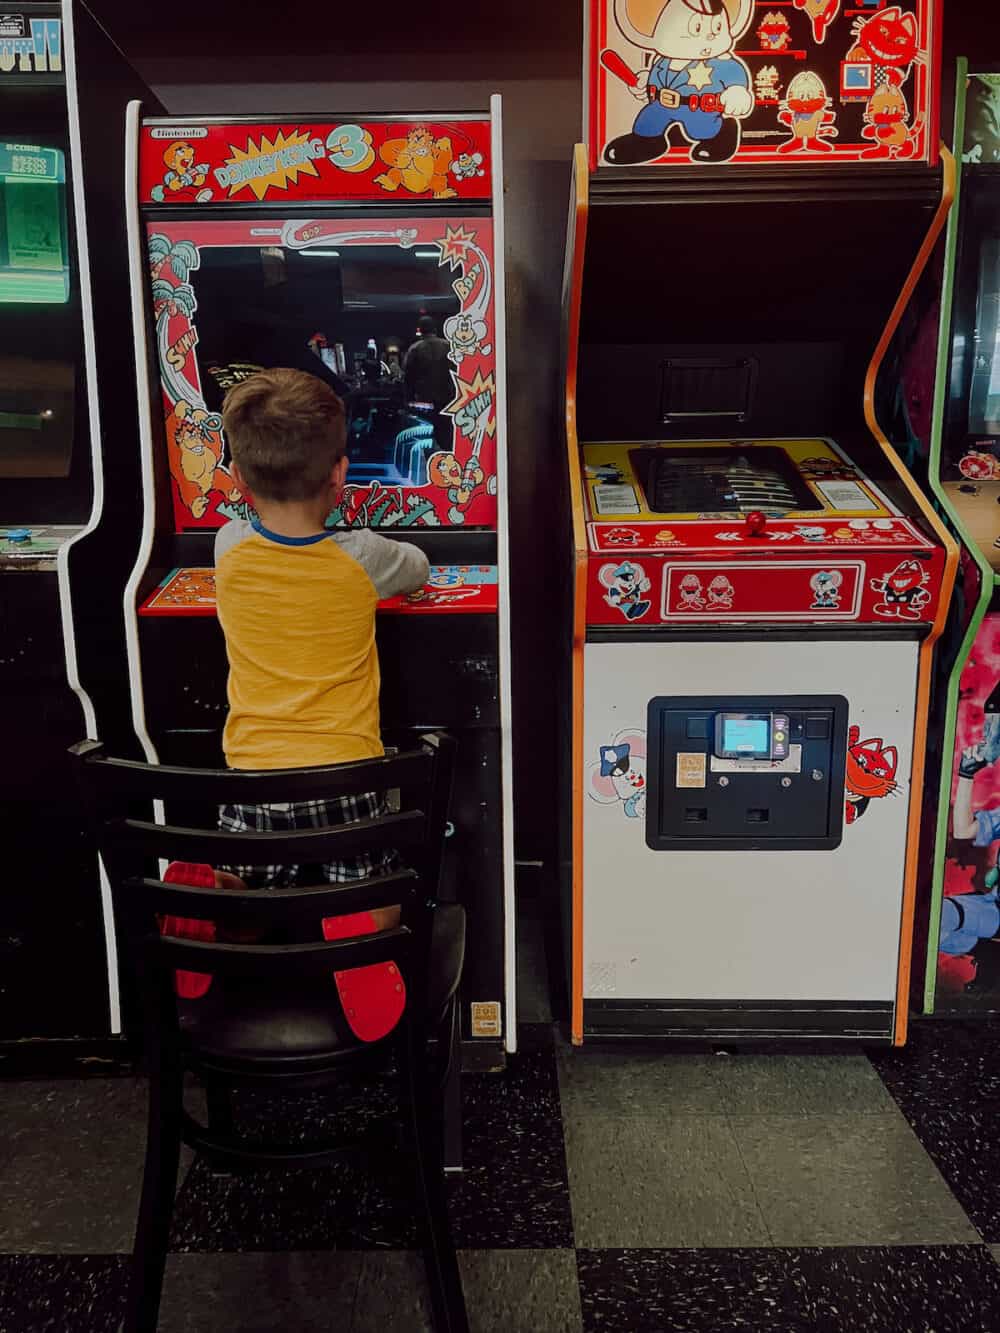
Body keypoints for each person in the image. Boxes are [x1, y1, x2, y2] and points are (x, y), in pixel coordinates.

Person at [213, 368, 430, 902]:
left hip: (252, 779)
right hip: (347, 779)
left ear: (239, 478)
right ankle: (362, 937)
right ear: (340, 475)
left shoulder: (228, 546)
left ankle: (225, 913)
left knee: (247, 884)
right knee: (368, 886)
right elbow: (419, 566)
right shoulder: (361, 556)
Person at [404, 315, 453, 451]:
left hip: (424, 401)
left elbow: (408, 377)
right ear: (435, 329)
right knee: (446, 435)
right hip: (447, 399)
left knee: (425, 435)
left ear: (420, 330)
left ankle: (430, 460)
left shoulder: (415, 349)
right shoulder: (448, 346)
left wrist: (408, 398)